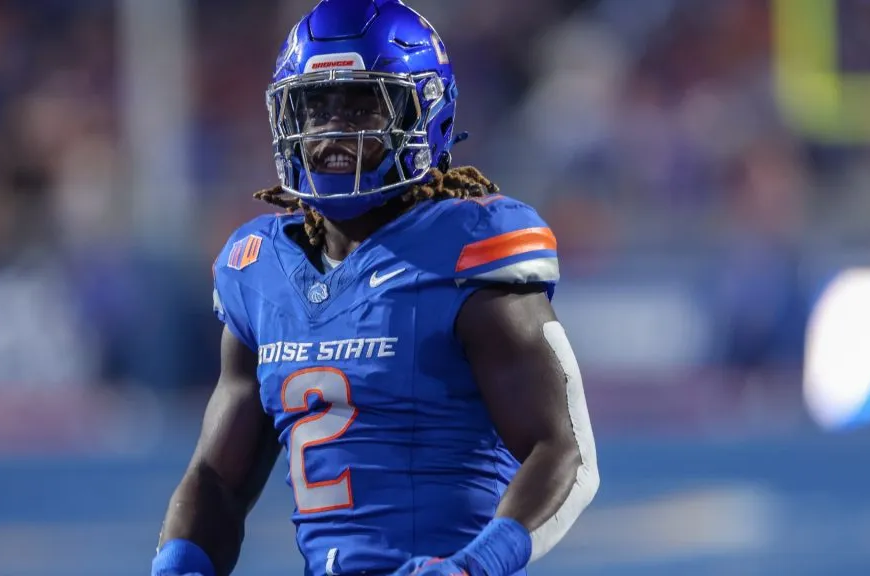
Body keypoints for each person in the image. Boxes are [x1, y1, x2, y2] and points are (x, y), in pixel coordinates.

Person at [152, 1, 599, 575]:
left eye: (363, 105)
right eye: (316, 108)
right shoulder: (257, 270)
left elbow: (567, 453)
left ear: (426, 111)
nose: (333, 129)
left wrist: (472, 568)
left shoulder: (467, 249)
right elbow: (216, 478)